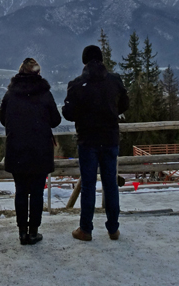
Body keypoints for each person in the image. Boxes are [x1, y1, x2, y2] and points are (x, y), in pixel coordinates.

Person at [62, 45, 129, 241]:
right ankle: (113, 228)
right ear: (101, 59)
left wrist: (83, 116)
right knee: (110, 184)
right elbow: (125, 103)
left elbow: (68, 113)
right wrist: (112, 113)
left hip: (87, 140)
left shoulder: (76, 84)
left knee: (88, 185)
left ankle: (85, 229)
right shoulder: (114, 80)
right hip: (110, 138)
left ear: (84, 61)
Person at [0, 58, 61, 245]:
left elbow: (3, 119)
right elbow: (55, 120)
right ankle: (34, 232)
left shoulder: (10, 95)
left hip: (17, 148)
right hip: (40, 149)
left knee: (20, 191)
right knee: (36, 192)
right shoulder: (44, 94)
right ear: (37, 73)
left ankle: (21, 232)